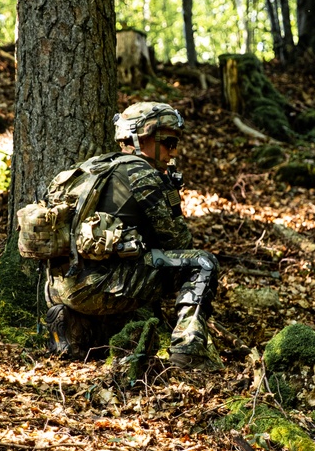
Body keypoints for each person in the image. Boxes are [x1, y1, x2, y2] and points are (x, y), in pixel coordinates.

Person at [43, 101, 219, 368]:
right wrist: (170, 193)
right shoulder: (143, 176)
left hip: (59, 286)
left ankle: (76, 330)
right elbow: (179, 243)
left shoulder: (94, 166)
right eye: (168, 142)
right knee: (201, 264)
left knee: (129, 267)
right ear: (142, 137)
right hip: (100, 286)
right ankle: (188, 352)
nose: (173, 152)